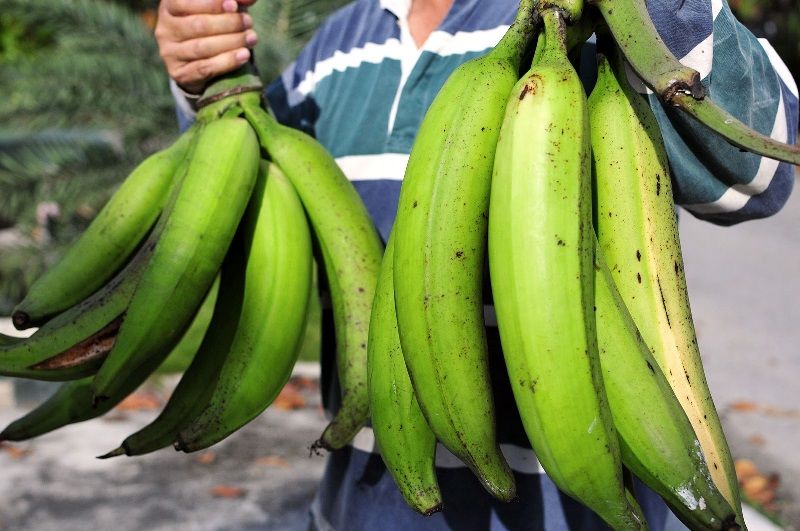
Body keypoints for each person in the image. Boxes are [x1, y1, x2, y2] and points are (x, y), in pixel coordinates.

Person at [155, 0, 798, 529]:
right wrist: (203, 80)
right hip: (361, 503)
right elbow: (244, 208)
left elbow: (762, 172)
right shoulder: (337, 45)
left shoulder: (604, 32)